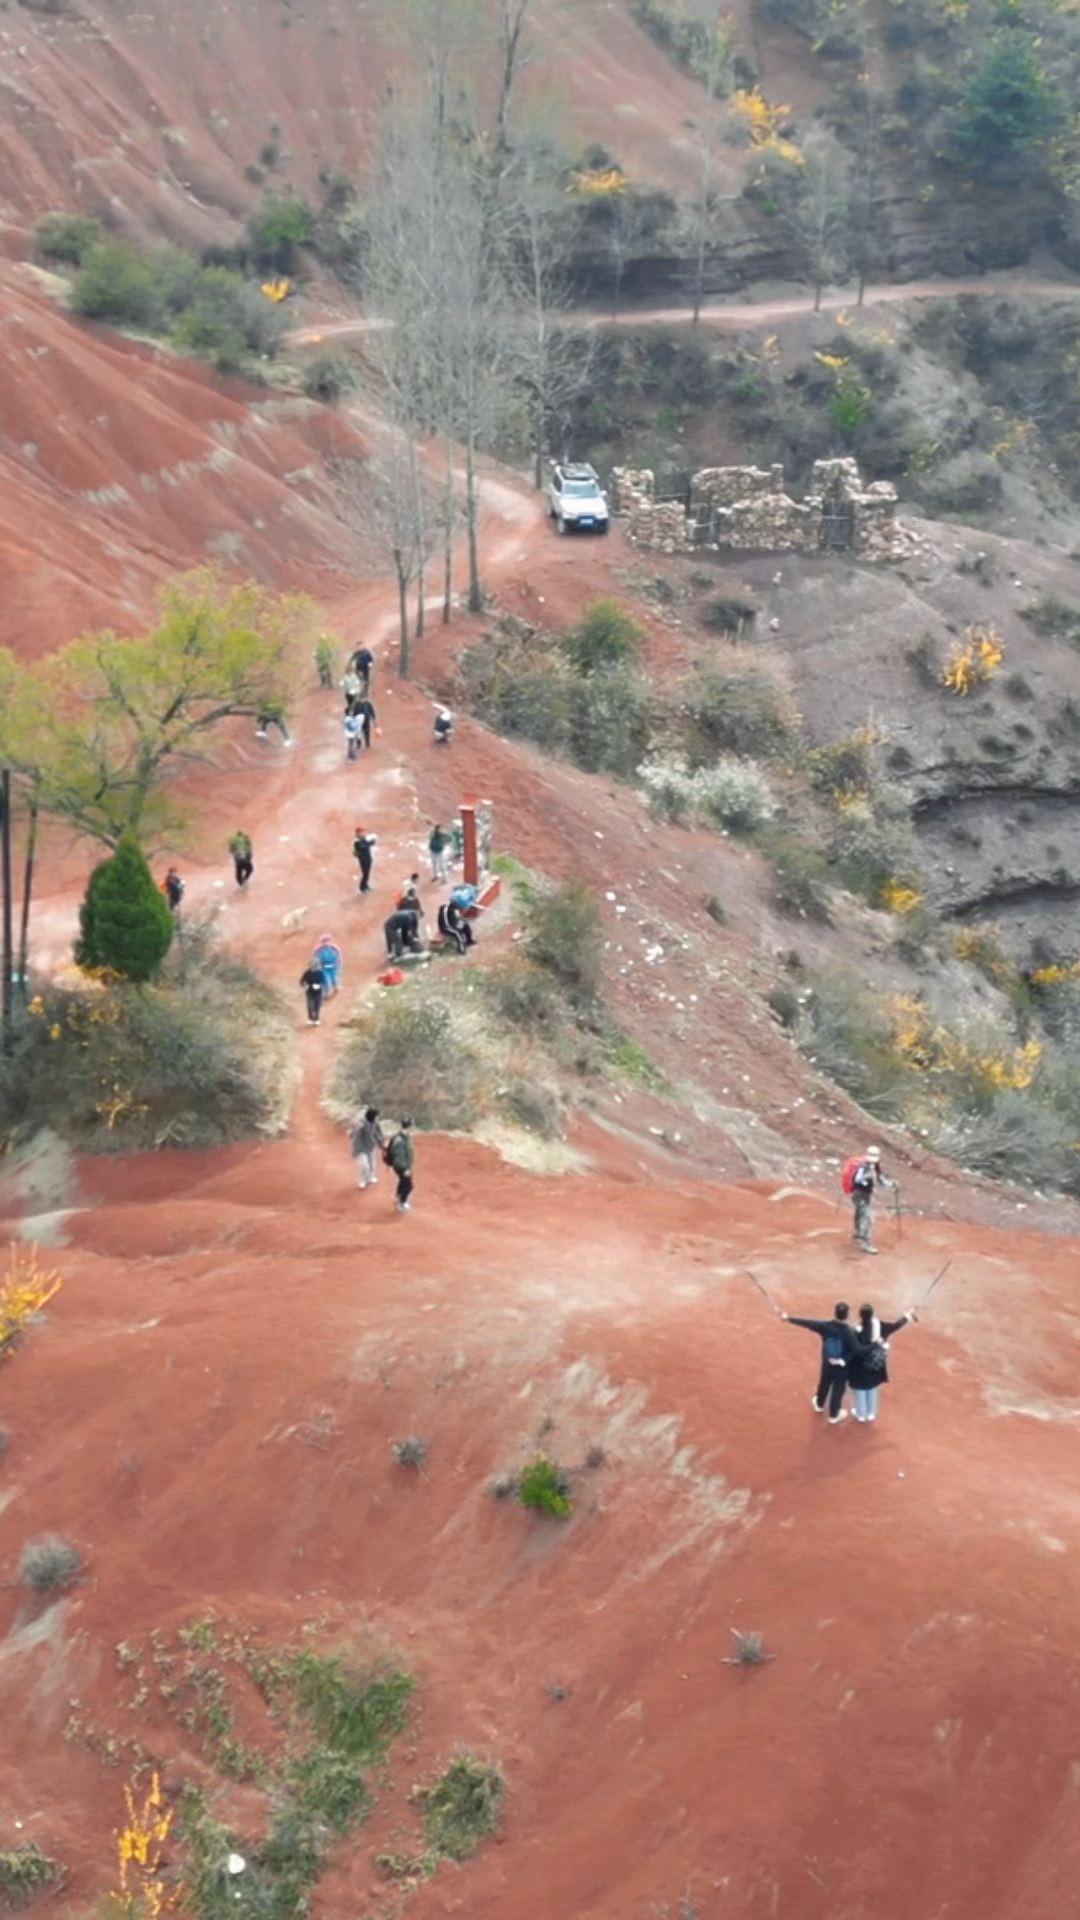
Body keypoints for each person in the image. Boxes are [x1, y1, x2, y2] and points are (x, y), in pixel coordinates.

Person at [780, 1301, 858, 1424]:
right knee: (838, 1389)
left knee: (824, 1382)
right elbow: (855, 1350)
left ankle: (819, 1404)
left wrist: (789, 1318)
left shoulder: (826, 1326)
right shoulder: (850, 1332)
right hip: (842, 1367)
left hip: (827, 1362)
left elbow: (808, 1323)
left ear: (835, 1313)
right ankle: (834, 1414)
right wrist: (844, 1360)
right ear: (847, 1315)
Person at [849, 1303, 917, 1423]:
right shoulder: (879, 1325)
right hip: (875, 1364)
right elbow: (895, 1326)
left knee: (860, 1388)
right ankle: (871, 1413)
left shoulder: (855, 1331)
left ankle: (861, 1413)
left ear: (860, 1316)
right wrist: (907, 1316)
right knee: (872, 1387)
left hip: (859, 1366)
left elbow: (853, 1348)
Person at [842, 1145, 896, 1255]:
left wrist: (890, 1184)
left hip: (866, 1194)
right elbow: (858, 1180)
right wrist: (867, 1177)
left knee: (859, 1212)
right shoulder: (863, 1166)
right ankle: (865, 1242)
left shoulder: (875, 1165)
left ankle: (857, 1233)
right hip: (859, 1194)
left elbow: (879, 1177)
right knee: (868, 1217)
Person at [349, 1106, 384, 1189]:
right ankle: (362, 1180)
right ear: (372, 1117)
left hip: (370, 1146)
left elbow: (377, 1132)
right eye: (376, 1116)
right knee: (364, 1165)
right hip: (361, 1148)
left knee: (372, 1163)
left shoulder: (375, 1122)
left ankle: (371, 1176)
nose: (377, 1118)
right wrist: (356, 1151)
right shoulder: (361, 1126)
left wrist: (380, 1142)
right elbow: (356, 1140)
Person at [385, 1118, 415, 1212]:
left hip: (401, 1165)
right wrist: (405, 1169)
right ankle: (403, 1202)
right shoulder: (400, 1141)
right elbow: (399, 1156)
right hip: (401, 1166)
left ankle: (399, 1195)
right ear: (409, 1126)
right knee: (409, 1186)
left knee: (402, 1181)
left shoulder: (401, 1137)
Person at [299, 961, 325, 1026]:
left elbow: (323, 981)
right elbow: (301, 981)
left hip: (318, 992)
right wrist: (305, 986)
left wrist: (320, 986)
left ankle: (316, 1018)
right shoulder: (307, 973)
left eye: (315, 965)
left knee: (317, 1005)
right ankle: (310, 1018)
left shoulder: (320, 973)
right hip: (309, 991)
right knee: (310, 1005)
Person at [353, 827, 377, 894]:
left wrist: (371, 843)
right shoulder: (357, 841)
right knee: (365, 874)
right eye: (362, 832)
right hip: (363, 859)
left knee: (367, 874)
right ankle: (362, 887)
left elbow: (366, 845)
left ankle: (365, 886)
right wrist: (370, 844)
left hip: (367, 858)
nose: (363, 833)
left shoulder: (363, 839)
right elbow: (359, 849)